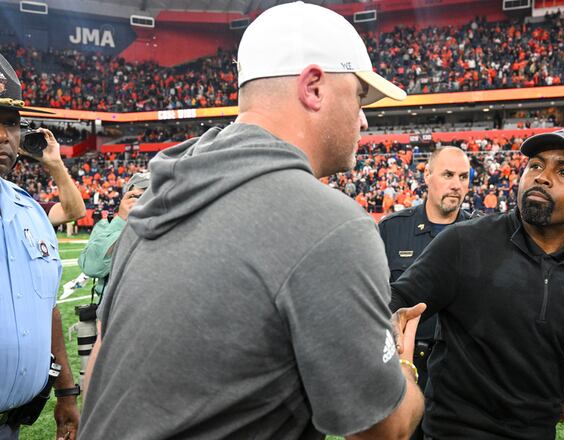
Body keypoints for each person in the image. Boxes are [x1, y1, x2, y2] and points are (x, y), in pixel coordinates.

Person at [80, 2, 425, 439]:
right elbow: (383, 429)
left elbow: (101, 368)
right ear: (314, 88)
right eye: (358, 95)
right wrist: (404, 364)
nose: (363, 116)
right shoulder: (329, 223)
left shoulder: (162, 191)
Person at [390, 128, 564, 439]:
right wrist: (389, 316)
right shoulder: (464, 242)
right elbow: (400, 298)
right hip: (453, 432)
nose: (542, 177)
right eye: (536, 165)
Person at [0, 53, 79, 440]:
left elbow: (48, 311)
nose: (3, 136)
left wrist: (66, 391)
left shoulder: (29, 210)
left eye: (11, 123)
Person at [378, 146, 472, 440]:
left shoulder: (482, 232)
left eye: (463, 176)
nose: (456, 184)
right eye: (447, 175)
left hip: (460, 372)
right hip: (403, 366)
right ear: (427, 176)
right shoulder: (393, 229)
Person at [78, 172, 149, 298]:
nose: (145, 202)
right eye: (139, 196)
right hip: (115, 309)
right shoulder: (106, 225)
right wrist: (122, 221)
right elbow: (92, 268)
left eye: (151, 196)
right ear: (125, 199)